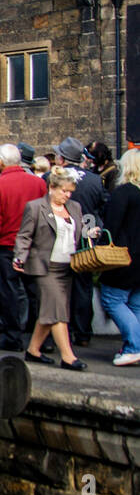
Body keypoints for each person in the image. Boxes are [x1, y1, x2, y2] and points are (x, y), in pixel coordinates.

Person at [14, 167, 97, 370]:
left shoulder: (75, 207)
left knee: (49, 312)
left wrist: (90, 232)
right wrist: (19, 256)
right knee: (58, 311)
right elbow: (24, 235)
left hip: (67, 267)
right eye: (64, 191)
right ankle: (68, 357)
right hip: (45, 267)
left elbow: (78, 230)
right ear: (52, 187)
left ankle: (33, 350)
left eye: (70, 192)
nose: (67, 195)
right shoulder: (35, 207)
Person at [0, 144, 48, 350]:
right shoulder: (38, 183)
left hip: (6, 245)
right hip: (35, 245)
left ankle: (14, 338)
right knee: (37, 293)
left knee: (9, 293)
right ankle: (43, 340)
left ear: (0, 162)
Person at [52, 137, 106, 347]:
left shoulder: (54, 178)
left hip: (60, 239)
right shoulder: (94, 180)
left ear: (63, 159)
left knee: (59, 287)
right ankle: (82, 333)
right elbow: (103, 206)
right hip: (85, 238)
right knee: (83, 287)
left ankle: (59, 333)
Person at [100, 148, 140, 366]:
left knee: (112, 299)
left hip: (124, 257)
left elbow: (112, 227)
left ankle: (134, 347)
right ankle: (133, 346)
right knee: (136, 304)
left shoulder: (123, 193)